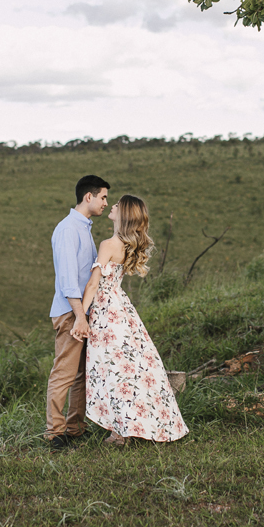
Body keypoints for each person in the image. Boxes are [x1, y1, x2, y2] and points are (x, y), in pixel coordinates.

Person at [75, 194, 188, 445]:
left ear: (123, 214)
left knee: (113, 369)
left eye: (116, 205)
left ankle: (120, 431)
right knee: (132, 368)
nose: (111, 206)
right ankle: (134, 424)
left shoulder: (108, 244)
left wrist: (80, 316)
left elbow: (94, 283)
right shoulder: (128, 245)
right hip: (122, 309)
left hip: (106, 312)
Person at [45, 174, 110, 450]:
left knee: (82, 372)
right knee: (64, 371)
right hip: (72, 312)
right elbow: (68, 280)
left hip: (82, 311)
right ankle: (54, 433)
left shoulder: (83, 227)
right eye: (103, 197)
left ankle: (74, 427)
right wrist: (80, 317)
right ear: (89, 197)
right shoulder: (69, 229)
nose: (106, 203)